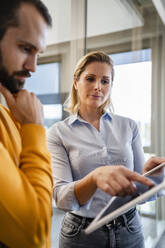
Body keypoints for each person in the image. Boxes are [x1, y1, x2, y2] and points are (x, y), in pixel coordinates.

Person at [47, 51, 165, 248]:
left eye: (105, 81)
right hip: (81, 235)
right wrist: (94, 179)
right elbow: (61, 198)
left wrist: (151, 177)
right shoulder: (58, 133)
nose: (97, 87)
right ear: (76, 82)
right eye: (90, 79)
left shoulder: (129, 126)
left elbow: (136, 192)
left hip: (130, 229)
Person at [0, 0, 53, 247]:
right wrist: (34, 127)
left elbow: (35, 189)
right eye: (24, 48)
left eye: (37, 54)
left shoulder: (8, 114)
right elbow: (36, 234)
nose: (33, 67)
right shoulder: (25, 122)